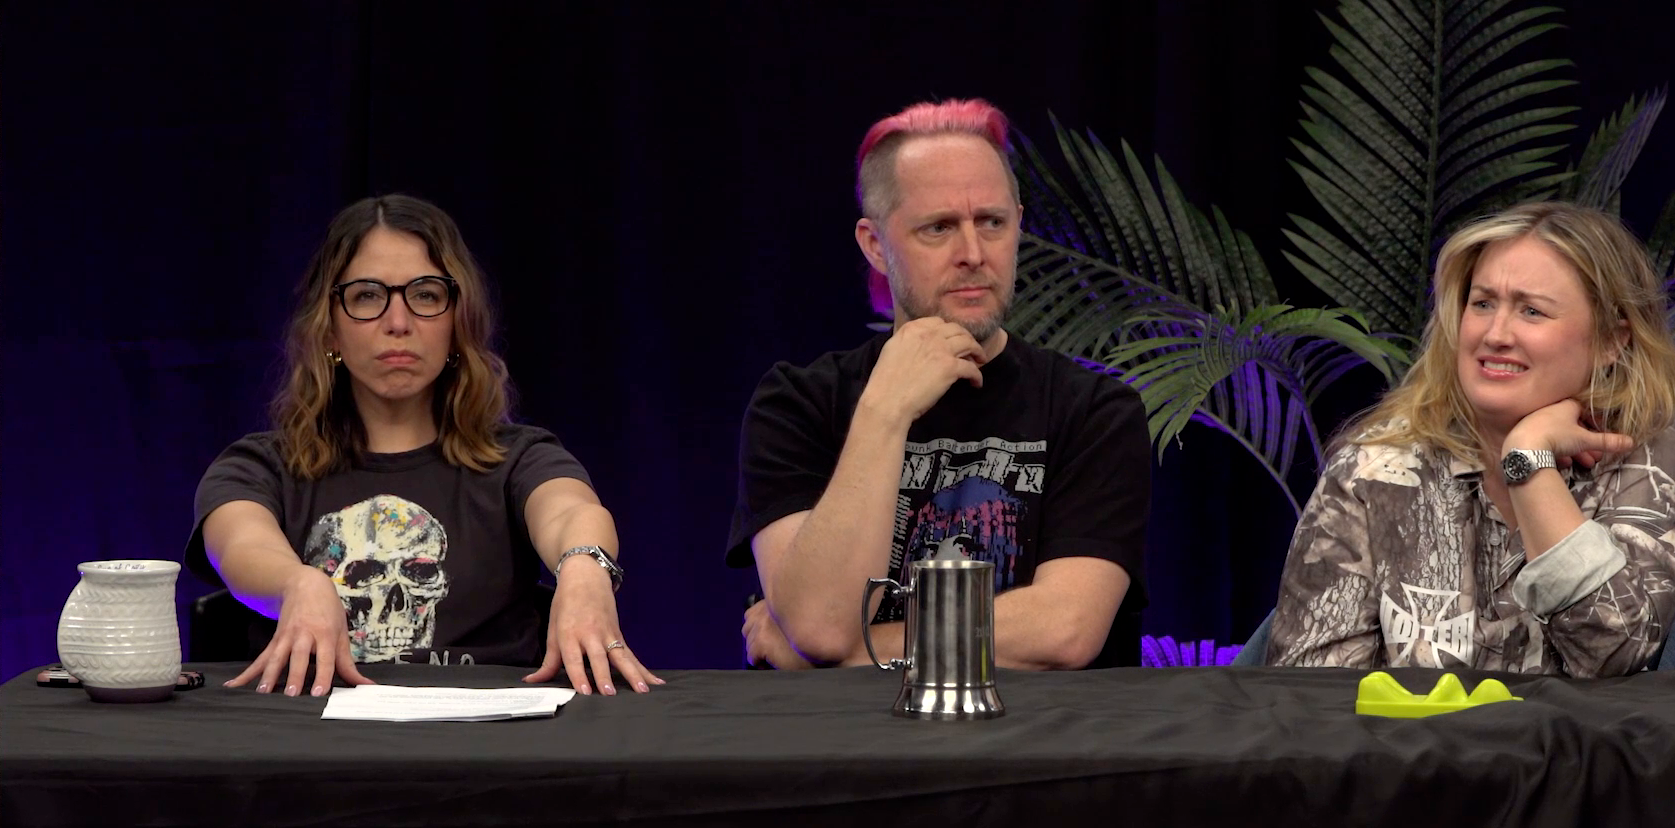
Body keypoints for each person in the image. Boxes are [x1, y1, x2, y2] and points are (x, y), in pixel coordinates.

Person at [727, 98, 1152, 670]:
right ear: (875, 244)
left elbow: (1064, 631)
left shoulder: (1095, 410)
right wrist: (885, 410)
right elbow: (821, 622)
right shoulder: (797, 404)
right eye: (939, 228)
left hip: (1042, 728)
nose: (973, 254)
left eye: (992, 223)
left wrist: (860, 650)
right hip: (845, 730)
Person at [185, 194, 661, 697]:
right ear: (329, 330)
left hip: (495, 731)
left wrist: (585, 567)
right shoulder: (256, 467)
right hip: (310, 729)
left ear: (457, 324)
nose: (398, 321)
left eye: (426, 295)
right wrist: (299, 584)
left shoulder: (521, 458)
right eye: (367, 296)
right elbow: (242, 546)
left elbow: (570, 511)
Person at [1269, 201, 1675, 677]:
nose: (1495, 334)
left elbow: (1613, 652)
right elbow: (1308, 689)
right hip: (1403, 730)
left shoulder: (1641, 448)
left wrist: (1528, 460)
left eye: (1531, 311)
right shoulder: (1377, 468)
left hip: (1578, 732)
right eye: (1483, 303)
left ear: (1611, 341)